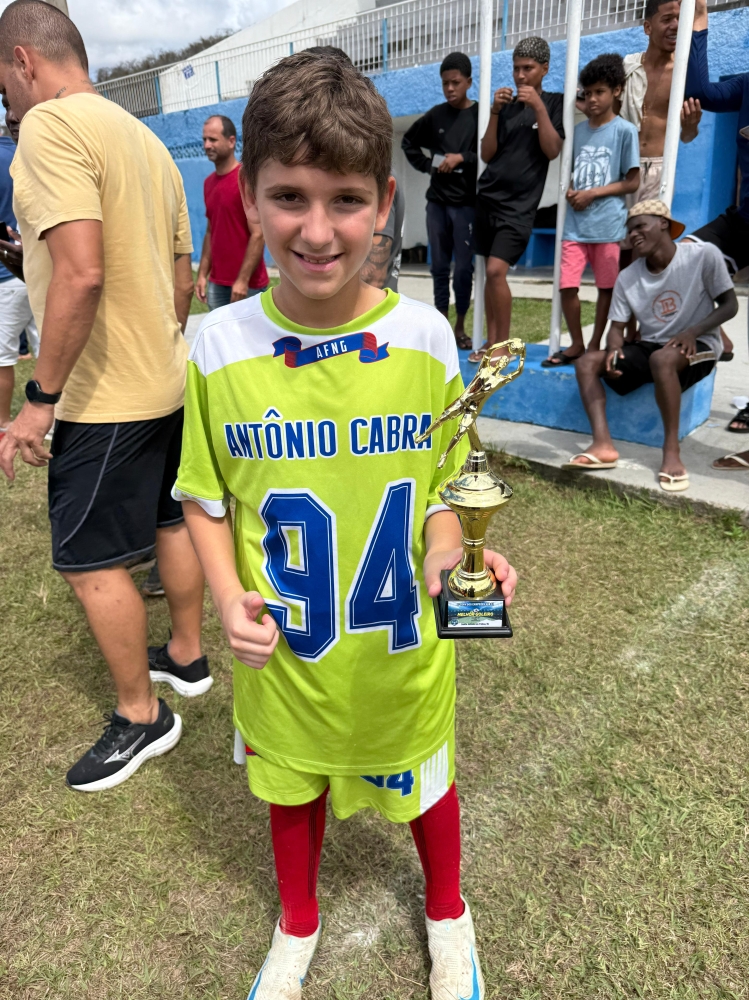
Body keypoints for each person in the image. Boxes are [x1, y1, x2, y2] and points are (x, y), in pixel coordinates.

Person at [175, 52, 517, 999]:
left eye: (346, 200)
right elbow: (203, 497)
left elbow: (445, 490)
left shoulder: (425, 338)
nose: (317, 230)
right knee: (289, 785)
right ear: (248, 197)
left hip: (400, 655)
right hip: (287, 656)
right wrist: (225, 595)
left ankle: (447, 914)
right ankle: (296, 923)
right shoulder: (217, 345)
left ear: (383, 203)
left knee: (427, 784)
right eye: (288, 197)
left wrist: (453, 561)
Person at [0, 0, 211, 792]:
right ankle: (186, 655)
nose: (7, 99)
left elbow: (83, 272)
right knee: (168, 519)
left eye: (3, 82)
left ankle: (141, 714)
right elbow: (182, 274)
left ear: (24, 61)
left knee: (86, 558)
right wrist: (159, 342)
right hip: (165, 375)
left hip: (103, 392)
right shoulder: (147, 140)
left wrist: (40, 398)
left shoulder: (49, 128)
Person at [565, 200, 737, 492]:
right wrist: (614, 349)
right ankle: (602, 445)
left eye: (640, 226)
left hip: (699, 344)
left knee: (662, 359)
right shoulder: (628, 277)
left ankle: (671, 451)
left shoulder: (702, 255)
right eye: (629, 231)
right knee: (587, 362)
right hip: (654, 347)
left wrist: (693, 331)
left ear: (663, 224)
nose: (633, 235)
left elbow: (730, 305)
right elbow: (616, 328)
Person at [543, 54, 640, 367]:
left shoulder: (625, 131)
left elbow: (632, 181)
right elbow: (574, 172)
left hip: (608, 226)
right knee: (567, 286)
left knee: (606, 288)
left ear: (617, 91)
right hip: (575, 226)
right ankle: (576, 343)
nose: (593, 99)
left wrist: (592, 194)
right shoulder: (578, 131)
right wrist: (574, 191)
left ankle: (596, 343)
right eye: (588, 93)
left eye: (600, 92)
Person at [472, 36, 564, 363]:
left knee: (497, 270)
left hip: (519, 208)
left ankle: (502, 345)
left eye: (528, 68)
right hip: (488, 198)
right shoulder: (507, 107)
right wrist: (495, 112)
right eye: (516, 69)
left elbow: (552, 150)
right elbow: (486, 153)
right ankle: (491, 341)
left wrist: (538, 106)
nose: (521, 75)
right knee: (489, 273)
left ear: (545, 69)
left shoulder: (554, 103)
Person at [686, 0, 749, 464]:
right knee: (688, 253)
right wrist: (699, 24)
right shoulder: (746, 85)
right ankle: (715, 337)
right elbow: (701, 92)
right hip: (744, 219)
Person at [402, 52, 478, 349]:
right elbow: (408, 143)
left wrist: (463, 158)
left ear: (468, 82)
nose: (450, 88)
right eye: (445, 83)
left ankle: (460, 326)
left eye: (455, 82)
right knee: (439, 267)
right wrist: (429, 165)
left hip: (466, 205)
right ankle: (442, 325)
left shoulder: (480, 116)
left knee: (464, 269)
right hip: (437, 203)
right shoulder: (435, 115)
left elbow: (489, 153)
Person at [619, 0, 702, 204]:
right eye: (667, 19)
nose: (676, 25)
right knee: (616, 226)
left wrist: (690, 127)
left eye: (680, 19)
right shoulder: (628, 68)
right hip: (623, 167)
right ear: (648, 27)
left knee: (649, 224)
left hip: (659, 170)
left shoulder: (683, 75)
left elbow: (687, 137)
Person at [195, 114, 268, 309]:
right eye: (204, 140)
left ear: (231, 141)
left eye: (213, 139)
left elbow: (258, 234)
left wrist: (242, 280)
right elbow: (211, 231)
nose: (207, 145)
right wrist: (202, 274)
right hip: (217, 284)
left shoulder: (246, 180)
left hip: (248, 285)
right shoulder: (208, 183)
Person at [0, 90, 38, 436]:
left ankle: (2, 423)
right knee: (47, 347)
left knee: (2, 356)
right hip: (33, 267)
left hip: (9, 271)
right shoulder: (21, 153)